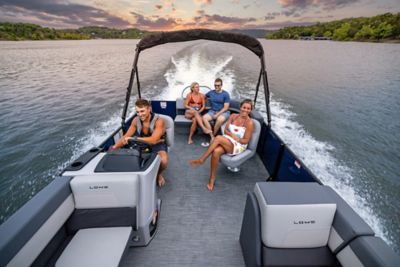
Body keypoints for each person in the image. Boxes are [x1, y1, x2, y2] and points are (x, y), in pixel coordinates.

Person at [190, 99, 254, 191]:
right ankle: (212, 178)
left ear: (250, 110)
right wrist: (232, 135)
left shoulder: (249, 123)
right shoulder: (233, 116)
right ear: (240, 107)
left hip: (239, 145)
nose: (246, 110)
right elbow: (226, 130)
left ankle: (202, 159)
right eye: (244, 107)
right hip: (228, 140)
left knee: (218, 138)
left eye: (248, 108)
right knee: (216, 152)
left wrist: (237, 139)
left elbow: (246, 141)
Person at [112, 99, 168, 187]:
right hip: (141, 143)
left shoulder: (159, 121)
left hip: (157, 144)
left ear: (149, 109)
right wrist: (114, 148)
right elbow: (125, 136)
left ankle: (158, 174)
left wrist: (133, 138)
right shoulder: (135, 120)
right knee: (131, 160)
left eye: (142, 111)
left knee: (164, 161)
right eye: (137, 112)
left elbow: (153, 140)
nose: (140, 114)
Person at [201, 78, 231, 146]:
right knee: (204, 118)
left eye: (218, 85)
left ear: (221, 85)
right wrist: (201, 103)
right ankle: (212, 137)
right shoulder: (211, 92)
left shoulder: (226, 94)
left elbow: (226, 107)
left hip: (224, 112)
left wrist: (218, 114)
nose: (216, 87)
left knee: (219, 119)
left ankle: (214, 135)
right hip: (212, 111)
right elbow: (203, 96)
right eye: (215, 85)